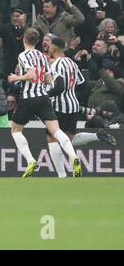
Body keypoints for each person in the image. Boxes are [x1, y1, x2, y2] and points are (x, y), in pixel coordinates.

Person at [7, 28, 82, 178]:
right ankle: (73, 157)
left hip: (28, 97)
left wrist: (16, 78)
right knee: (56, 130)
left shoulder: (23, 55)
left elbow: (31, 74)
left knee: (15, 130)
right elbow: (48, 78)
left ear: (24, 39)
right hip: (43, 98)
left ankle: (30, 160)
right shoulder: (42, 56)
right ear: (37, 41)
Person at [46, 37, 116, 179]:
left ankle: (62, 175)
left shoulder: (56, 65)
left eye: (49, 46)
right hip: (73, 105)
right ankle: (97, 136)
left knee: (52, 138)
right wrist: (70, 89)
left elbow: (59, 86)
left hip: (59, 106)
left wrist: (45, 94)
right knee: (70, 139)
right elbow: (82, 84)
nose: (48, 49)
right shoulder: (72, 63)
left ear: (54, 48)